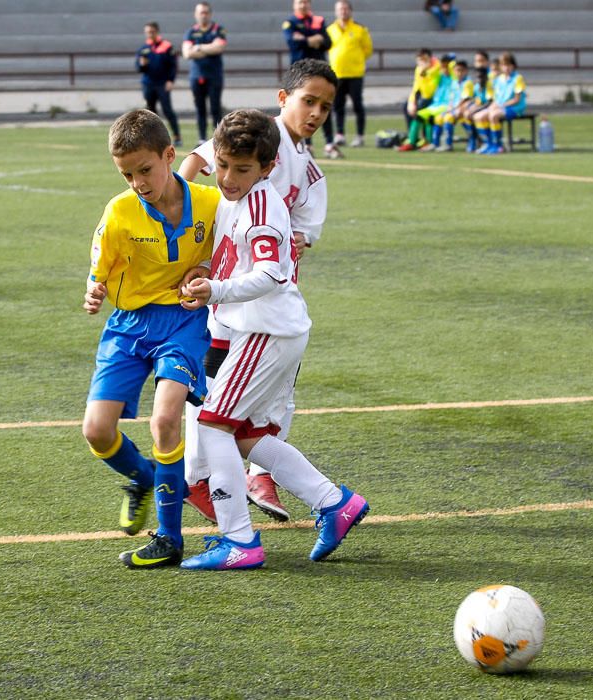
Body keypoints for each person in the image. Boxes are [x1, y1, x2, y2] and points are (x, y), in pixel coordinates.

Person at [177, 109, 369, 570]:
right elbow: (234, 258)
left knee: (212, 425)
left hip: (267, 332)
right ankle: (334, 502)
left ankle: (239, 541)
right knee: (244, 435)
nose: (227, 177)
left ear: (266, 168)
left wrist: (216, 291)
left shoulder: (263, 205)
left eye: (242, 169)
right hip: (263, 331)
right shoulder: (232, 199)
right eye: (222, 165)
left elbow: (268, 272)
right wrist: (209, 274)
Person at [178, 58, 336, 524]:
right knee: (211, 395)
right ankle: (202, 480)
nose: (315, 113)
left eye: (325, 107)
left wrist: (291, 242)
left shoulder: (307, 174)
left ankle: (257, 479)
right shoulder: (249, 132)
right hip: (232, 304)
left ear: (263, 168)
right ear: (284, 97)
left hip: (261, 305)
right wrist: (181, 222)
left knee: (258, 403)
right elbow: (196, 162)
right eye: (309, 100)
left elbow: (296, 244)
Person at [81, 109, 220, 569]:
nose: (138, 182)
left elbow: (230, 253)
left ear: (169, 155)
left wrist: (207, 270)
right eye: (127, 174)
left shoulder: (211, 204)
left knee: (166, 420)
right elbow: (98, 270)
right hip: (127, 326)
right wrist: (94, 289)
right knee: (97, 432)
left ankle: (170, 537)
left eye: (145, 170)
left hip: (183, 323)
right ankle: (144, 478)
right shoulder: (119, 211)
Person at [282, 0, 341, 159]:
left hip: (320, 72)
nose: (303, 5)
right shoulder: (290, 22)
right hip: (301, 76)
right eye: (300, 2)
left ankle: (329, 143)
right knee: (304, 109)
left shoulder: (318, 20)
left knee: (323, 107)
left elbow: (328, 42)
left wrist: (305, 39)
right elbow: (292, 42)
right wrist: (312, 40)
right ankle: (306, 145)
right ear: (295, 5)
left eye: (306, 2)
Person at [327, 0, 373, 148]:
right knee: (338, 105)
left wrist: (356, 61)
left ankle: (360, 136)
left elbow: (368, 50)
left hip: (355, 74)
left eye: (346, 9)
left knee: (357, 105)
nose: (343, 11)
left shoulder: (360, 29)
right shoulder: (330, 29)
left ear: (350, 11)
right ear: (336, 11)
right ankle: (340, 134)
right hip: (337, 74)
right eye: (340, 9)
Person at [182, 2, 227, 145]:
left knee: (215, 108)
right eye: (201, 12)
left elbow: (218, 47)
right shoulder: (190, 32)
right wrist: (209, 49)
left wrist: (199, 47)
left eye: (206, 12)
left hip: (214, 76)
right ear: (196, 14)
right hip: (196, 76)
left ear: (210, 14)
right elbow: (187, 53)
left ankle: (218, 138)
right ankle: (201, 139)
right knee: (200, 108)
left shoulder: (218, 29)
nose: (203, 15)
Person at [135, 22, 182, 147]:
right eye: (147, 32)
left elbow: (173, 65)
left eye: (151, 32)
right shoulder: (144, 49)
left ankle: (177, 136)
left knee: (167, 110)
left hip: (162, 83)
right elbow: (139, 68)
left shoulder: (166, 47)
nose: (149, 34)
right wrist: (142, 64)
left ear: (157, 32)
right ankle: (153, 139)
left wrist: (170, 80)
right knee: (150, 113)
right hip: (148, 84)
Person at [473, 52, 527, 154]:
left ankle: (498, 145)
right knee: (478, 116)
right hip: (500, 107)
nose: (506, 68)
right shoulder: (499, 80)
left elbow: (516, 99)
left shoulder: (518, 78)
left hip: (515, 108)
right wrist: (492, 107)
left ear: (513, 66)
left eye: (508, 65)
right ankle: (488, 143)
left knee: (493, 115)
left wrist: (500, 106)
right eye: (503, 65)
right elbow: (496, 99)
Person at [397, 48, 440, 151]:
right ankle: (413, 138)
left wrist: (425, 73)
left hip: (436, 99)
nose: (422, 62)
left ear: (430, 59)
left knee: (422, 111)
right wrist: (412, 102)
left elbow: (430, 90)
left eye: (424, 59)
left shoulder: (437, 69)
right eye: (420, 60)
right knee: (406, 106)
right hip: (424, 98)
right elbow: (416, 87)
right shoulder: (419, 70)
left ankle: (422, 141)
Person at [433, 59, 474, 151]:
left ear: (466, 71)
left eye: (461, 70)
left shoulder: (468, 82)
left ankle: (449, 144)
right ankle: (435, 143)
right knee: (438, 118)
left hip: (463, 109)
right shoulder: (454, 83)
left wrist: (454, 109)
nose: (459, 73)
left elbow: (465, 99)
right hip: (454, 109)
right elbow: (451, 98)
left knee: (448, 118)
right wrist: (450, 107)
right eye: (457, 70)